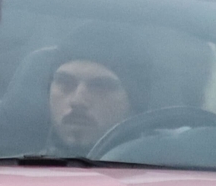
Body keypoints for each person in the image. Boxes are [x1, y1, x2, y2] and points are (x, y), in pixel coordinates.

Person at [43, 27, 152, 155]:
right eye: (65, 83)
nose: (77, 101)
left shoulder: (166, 171)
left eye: (101, 86)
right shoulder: (17, 169)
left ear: (135, 103)